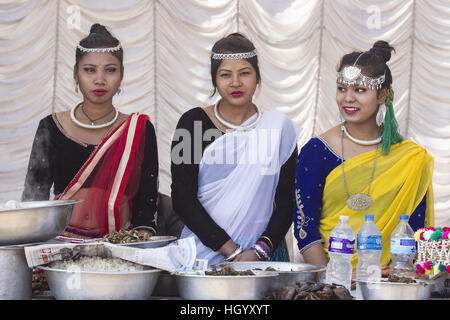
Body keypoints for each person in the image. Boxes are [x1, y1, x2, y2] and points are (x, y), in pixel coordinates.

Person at [293, 40, 434, 268]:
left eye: (360, 90)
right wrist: (335, 281)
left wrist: (399, 271)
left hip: (391, 282)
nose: (348, 98)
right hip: (329, 279)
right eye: (342, 89)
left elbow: (415, 232)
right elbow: (304, 229)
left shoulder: (410, 159)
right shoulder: (317, 151)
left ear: (383, 95)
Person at [171, 33, 301, 266]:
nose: (235, 83)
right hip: (202, 254)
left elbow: (286, 201)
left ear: (258, 77)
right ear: (214, 79)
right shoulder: (193, 124)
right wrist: (229, 249)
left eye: (245, 73)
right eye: (225, 75)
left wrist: (259, 250)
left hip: (263, 256)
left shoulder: (279, 130)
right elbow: (183, 198)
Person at [22, 24, 158, 241]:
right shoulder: (50, 127)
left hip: (120, 245)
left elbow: (146, 202)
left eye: (110, 70)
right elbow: (34, 199)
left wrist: (137, 245)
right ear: (75, 74)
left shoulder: (138, 130)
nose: (100, 79)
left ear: (122, 75)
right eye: (89, 70)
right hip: (61, 244)